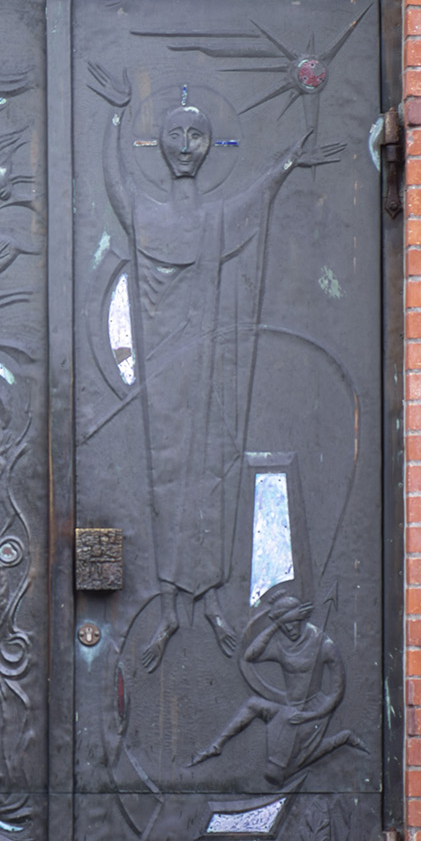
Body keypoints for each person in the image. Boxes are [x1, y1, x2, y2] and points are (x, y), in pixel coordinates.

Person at [89, 67, 342, 671]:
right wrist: (117, 114)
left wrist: (288, 161)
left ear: (210, 147)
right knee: (166, 474)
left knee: (214, 470)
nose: (182, 146)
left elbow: (258, 195)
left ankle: (205, 605)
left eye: (194, 136)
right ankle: (174, 607)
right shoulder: (148, 216)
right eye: (173, 134)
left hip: (210, 371)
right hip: (163, 379)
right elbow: (118, 186)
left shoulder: (218, 219)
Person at [190, 592, 368, 784]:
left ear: (301, 618)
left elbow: (337, 692)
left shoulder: (323, 645)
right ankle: (217, 745)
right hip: (288, 709)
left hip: (313, 712)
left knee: (275, 775)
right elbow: (250, 656)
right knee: (253, 705)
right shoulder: (281, 645)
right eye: (284, 625)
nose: (289, 628)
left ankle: (342, 739)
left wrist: (312, 715)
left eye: (292, 622)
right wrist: (274, 626)